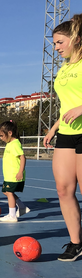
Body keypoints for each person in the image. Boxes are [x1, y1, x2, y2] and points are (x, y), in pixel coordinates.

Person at [43, 13, 82, 261]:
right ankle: (77, 243)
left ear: (76, 39)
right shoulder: (64, 68)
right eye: (54, 43)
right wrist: (54, 126)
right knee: (63, 189)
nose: (55, 48)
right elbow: (68, 102)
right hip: (67, 133)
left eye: (59, 42)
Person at [0, 120, 29, 223]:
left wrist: (20, 172)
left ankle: (12, 215)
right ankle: (22, 207)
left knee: (9, 192)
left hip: (14, 174)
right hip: (8, 175)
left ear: (10, 133)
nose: (1, 138)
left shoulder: (15, 144)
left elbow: (23, 158)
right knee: (6, 191)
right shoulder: (10, 143)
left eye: (2, 136)